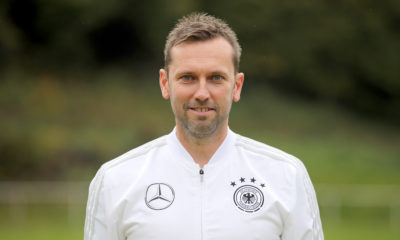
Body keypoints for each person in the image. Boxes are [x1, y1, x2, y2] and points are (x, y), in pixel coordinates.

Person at [84, 12, 324, 240]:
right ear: (165, 83)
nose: (201, 93)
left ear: (237, 85)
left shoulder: (285, 175)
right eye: (187, 77)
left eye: (216, 78)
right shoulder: (116, 180)